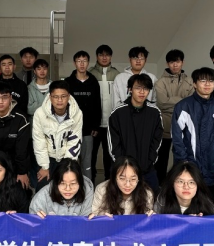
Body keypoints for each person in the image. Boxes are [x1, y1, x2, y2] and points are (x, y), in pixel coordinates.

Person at [171, 68, 214, 205]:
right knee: (190, 205)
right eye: (203, 80)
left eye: (211, 81)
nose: (207, 84)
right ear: (194, 83)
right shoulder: (183, 106)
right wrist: (183, 161)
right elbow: (177, 137)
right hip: (190, 165)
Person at [108, 74, 163, 191]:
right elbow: (113, 144)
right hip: (123, 170)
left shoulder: (154, 113)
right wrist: (122, 165)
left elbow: (157, 140)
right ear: (130, 89)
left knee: (153, 197)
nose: (142, 92)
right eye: (138, 88)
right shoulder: (118, 113)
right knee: (120, 200)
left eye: (146, 88)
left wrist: (150, 161)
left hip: (147, 169)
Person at [32, 81, 83, 191]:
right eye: (56, 97)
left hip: (67, 158)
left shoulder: (77, 113)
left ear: (68, 97)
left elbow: (74, 141)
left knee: (68, 186)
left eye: (63, 96)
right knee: (43, 187)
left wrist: (67, 166)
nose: (59, 100)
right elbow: (39, 141)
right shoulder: (40, 113)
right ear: (50, 97)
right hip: (47, 158)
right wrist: (44, 166)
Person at [154, 49, 194, 185]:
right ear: (167, 64)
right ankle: (160, 185)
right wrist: (183, 101)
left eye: (177, 61)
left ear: (182, 62)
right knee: (162, 159)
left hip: (185, 127)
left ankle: (179, 183)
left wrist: (172, 101)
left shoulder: (190, 81)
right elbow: (162, 103)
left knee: (182, 158)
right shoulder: (160, 82)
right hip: (165, 126)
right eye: (172, 62)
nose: (175, 65)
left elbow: (191, 104)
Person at [65, 51, 102, 178]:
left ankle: (88, 187)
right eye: (79, 61)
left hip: (88, 130)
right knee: (71, 162)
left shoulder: (93, 82)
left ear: (88, 63)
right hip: (71, 129)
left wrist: (96, 126)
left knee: (87, 163)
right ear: (74, 63)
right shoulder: (68, 82)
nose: (82, 64)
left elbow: (97, 104)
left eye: (84, 61)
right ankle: (72, 186)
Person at [89, 45, 120, 181]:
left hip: (111, 124)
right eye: (101, 54)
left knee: (110, 157)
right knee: (91, 156)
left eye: (107, 55)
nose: (104, 57)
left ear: (111, 57)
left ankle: (109, 184)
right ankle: (90, 183)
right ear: (97, 56)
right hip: (94, 125)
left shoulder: (117, 75)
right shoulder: (90, 74)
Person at [90, 156, 154, 217]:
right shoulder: (102, 190)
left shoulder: (146, 193)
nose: (128, 185)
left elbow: (146, 220)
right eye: (122, 178)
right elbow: (93, 215)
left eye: (133, 179)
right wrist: (100, 217)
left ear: (138, 179)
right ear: (114, 178)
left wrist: (151, 217)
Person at [30, 158, 94, 217]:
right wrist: (36, 218)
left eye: (73, 183)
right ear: (56, 182)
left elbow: (86, 223)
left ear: (80, 182)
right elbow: (33, 223)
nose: (68, 189)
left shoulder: (88, 194)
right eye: (62, 183)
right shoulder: (42, 197)